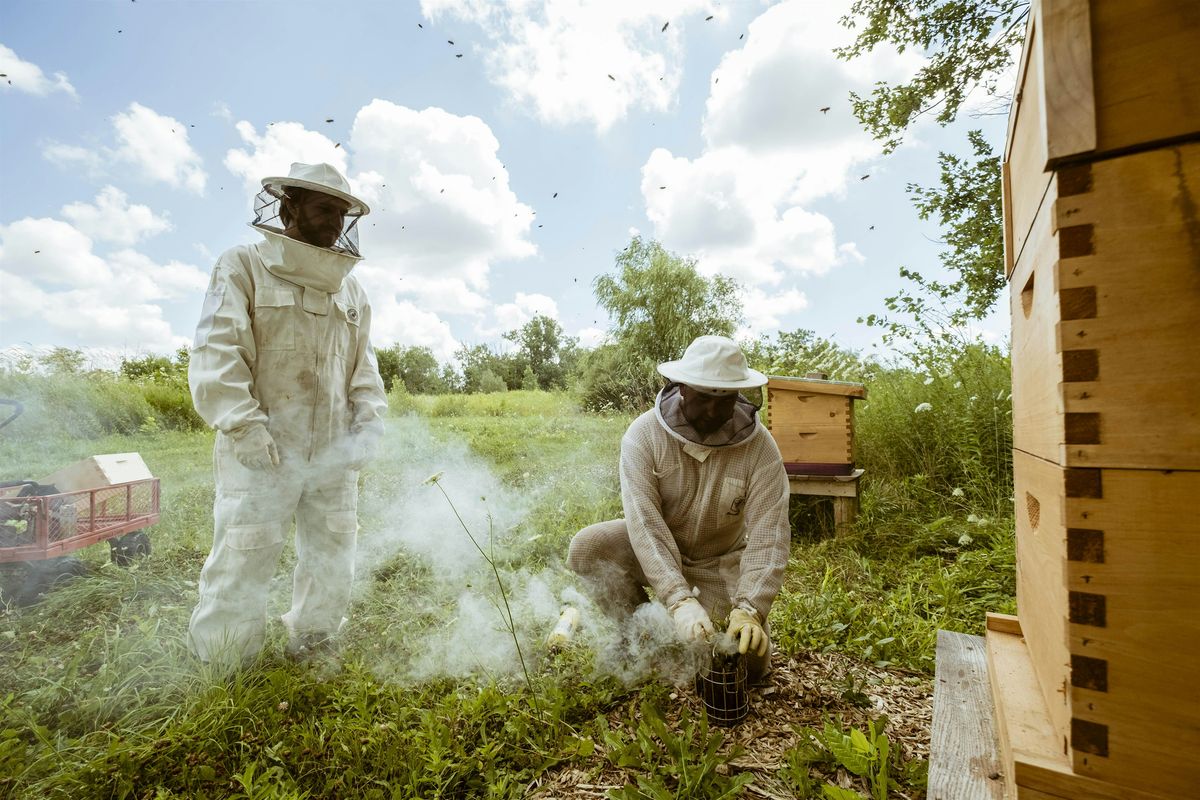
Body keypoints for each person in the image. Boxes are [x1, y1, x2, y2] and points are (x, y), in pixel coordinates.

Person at [186, 162, 388, 664]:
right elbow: (218, 350)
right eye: (324, 210)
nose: (335, 224)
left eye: (342, 213)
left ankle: (314, 640)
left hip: (332, 452)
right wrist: (243, 424)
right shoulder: (241, 266)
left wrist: (367, 427)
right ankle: (225, 661)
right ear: (287, 208)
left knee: (334, 551)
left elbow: (365, 369)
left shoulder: (352, 290)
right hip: (264, 446)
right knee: (245, 550)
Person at [566, 335, 791, 679]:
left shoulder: (761, 449)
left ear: (740, 396)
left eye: (725, 399)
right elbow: (644, 525)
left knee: (748, 665)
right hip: (655, 552)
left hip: (718, 564)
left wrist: (750, 609)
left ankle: (710, 619)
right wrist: (678, 600)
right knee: (589, 547)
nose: (713, 412)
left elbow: (769, 534)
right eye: (703, 398)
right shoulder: (643, 436)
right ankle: (638, 633)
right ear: (682, 388)